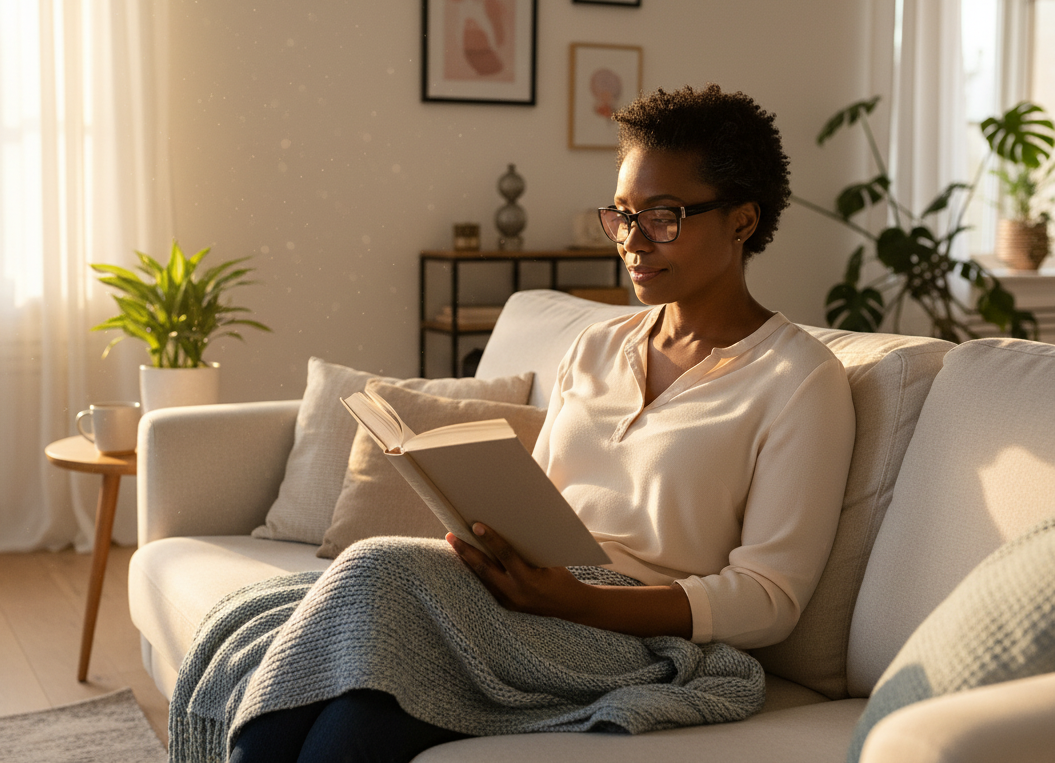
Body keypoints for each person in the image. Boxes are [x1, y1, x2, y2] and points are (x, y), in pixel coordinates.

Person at [225, 85, 856, 762]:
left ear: (742, 221)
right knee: (344, 703)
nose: (634, 242)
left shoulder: (800, 381)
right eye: (622, 216)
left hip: (629, 633)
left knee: (374, 568)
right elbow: (546, 503)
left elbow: (768, 599)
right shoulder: (597, 348)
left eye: (663, 217)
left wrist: (582, 603)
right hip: (531, 607)